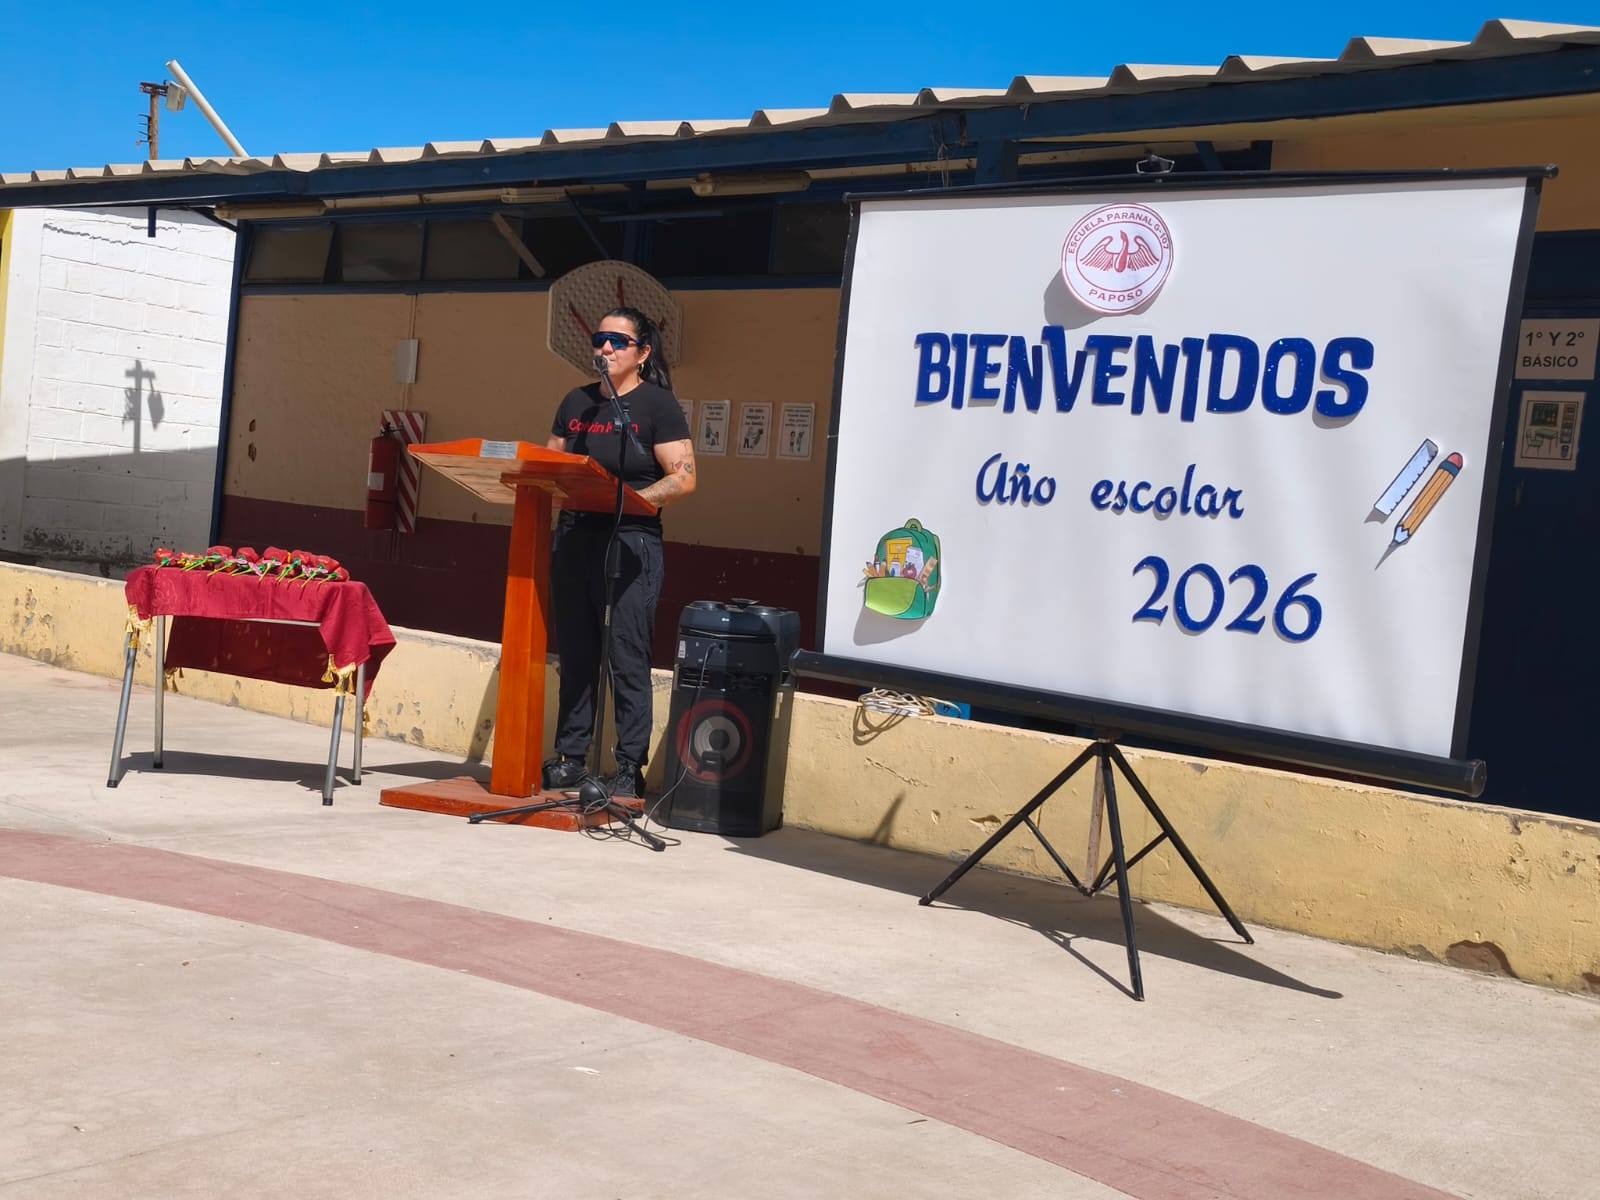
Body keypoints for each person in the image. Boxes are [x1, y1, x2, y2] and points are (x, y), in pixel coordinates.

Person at [541, 307, 696, 799]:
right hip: (575, 536)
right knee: (577, 651)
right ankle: (571, 756)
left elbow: (684, 476)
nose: (604, 348)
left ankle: (629, 766)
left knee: (626, 655)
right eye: (599, 338)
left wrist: (633, 500)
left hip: (631, 541)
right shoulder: (576, 402)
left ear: (643, 353)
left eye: (617, 341)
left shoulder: (656, 406)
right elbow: (548, 465)